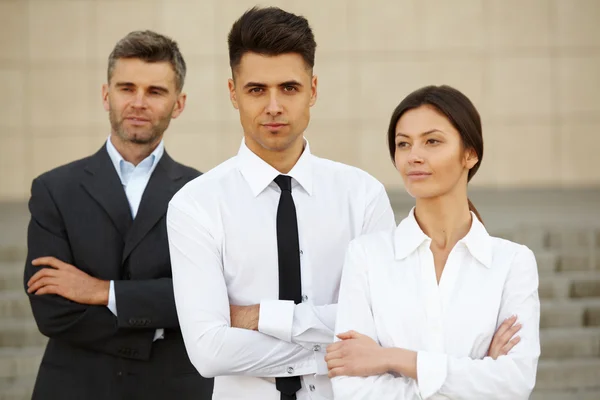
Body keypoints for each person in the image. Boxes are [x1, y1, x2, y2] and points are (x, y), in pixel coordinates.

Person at [165, 6, 397, 400]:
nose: (273, 106)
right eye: (257, 89)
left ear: (313, 90)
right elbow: (208, 352)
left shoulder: (363, 195)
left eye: (289, 88)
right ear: (233, 93)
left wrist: (262, 318)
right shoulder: (195, 205)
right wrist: (336, 353)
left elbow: (387, 322)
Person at [23, 30, 213, 399]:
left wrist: (101, 291)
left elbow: (208, 299)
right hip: (75, 387)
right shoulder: (53, 189)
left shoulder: (205, 194)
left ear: (179, 104)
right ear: (106, 94)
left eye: (155, 92)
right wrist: (154, 323)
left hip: (174, 390)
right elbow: (51, 310)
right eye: (127, 88)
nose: (139, 102)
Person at [326, 85, 541, 399]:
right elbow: (353, 390)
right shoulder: (366, 257)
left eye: (432, 141)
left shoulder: (512, 263)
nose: (414, 156)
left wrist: (393, 358)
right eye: (403, 144)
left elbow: (515, 383)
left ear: (470, 153)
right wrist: (476, 371)